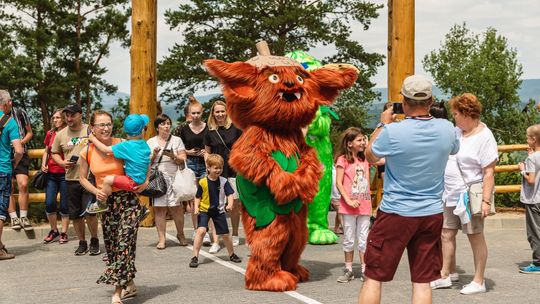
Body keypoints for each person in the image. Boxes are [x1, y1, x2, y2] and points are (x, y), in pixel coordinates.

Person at [359, 75, 459, 304]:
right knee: (422, 280)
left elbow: (370, 156)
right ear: (431, 100)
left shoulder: (393, 132)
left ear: (403, 102)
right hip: (431, 213)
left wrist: (383, 123)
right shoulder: (447, 128)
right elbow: (454, 149)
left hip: (396, 212)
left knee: (373, 276)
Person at [430, 93, 497, 295]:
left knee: (475, 236)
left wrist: (485, 200)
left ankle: (479, 280)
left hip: (470, 194)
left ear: (467, 114)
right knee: (446, 233)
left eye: (457, 113)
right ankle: (446, 275)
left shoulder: (485, 136)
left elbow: (489, 172)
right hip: (450, 192)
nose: (454, 117)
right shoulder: (456, 132)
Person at [79, 110, 147, 304]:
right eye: (101, 125)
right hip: (106, 203)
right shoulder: (87, 151)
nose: (106, 128)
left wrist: (146, 181)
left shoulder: (121, 144)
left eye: (109, 124)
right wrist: (95, 191)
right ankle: (130, 283)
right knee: (113, 247)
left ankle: (117, 291)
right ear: (93, 128)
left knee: (124, 242)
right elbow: (82, 178)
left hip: (128, 200)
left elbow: (145, 161)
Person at [51, 103, 101, 256]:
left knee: (90, 213)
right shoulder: (61, 134)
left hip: (89, 178)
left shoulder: (89, 130)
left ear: (80, 115)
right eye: (66, 115)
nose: (69, 118)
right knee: (75, 214)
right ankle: (82, 242)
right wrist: (62, 162)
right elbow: (54, 153)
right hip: (70, 179)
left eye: (72, 115)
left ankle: (94, 240)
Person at [86, 114, 151, 214]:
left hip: (132, 181)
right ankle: (141, 208)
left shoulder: (125, 146)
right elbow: (148, 161)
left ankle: (101, 203)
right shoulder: (144, 144)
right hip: (140, 179)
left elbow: (106, 150)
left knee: (108, 180)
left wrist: (93, 139)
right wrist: (146, 180)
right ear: (142, 130)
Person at [189, 154, 242, 268]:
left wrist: (230, 204)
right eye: (215, 168)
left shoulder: (223, 182)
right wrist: (197, 207)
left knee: (226, 235)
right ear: (208, 168)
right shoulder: (203, 182)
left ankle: (232, 254)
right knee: (201, 231)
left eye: (220, 168)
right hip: (204, 210)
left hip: (218, 211)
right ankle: (195, 257)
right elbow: (198, 196)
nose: (218, 170)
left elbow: (230, 194)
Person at [334, 127, 372, 283]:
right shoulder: (342, 159)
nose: (362, 142)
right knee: (349, 238)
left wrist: (369, 144)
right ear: (349, 143)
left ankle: (364, 269)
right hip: (349, 207)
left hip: (364, 205)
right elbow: (338, 182)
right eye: (359, 140)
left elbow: (379, 158)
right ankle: (348, 269)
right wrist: (348, 200)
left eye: (364, 139)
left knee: (364, 239)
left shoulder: (366, 159)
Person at [204, 100, 243, 249]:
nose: (220, 114)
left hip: (233, 170)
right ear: (213, 114)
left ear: (227, 112)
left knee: (234, 205)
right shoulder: (210, 131)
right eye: (217, 111)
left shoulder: (236, 128)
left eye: (222, 111)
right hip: (216, 172)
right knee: (216, 205)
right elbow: (207, 151)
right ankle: (217, 237)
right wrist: (208, 167)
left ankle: (235, 234)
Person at [147, 114, 188, 249]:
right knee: (160, 210)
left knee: (177, 208)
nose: (166, 126)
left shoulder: (177, 140)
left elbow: (183, 158)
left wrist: (173, 156)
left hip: (175, 177)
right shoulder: (150, 142)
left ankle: (181, 234)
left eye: (168, 123)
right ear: (157, 127)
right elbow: (147, 162)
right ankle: (162, 239)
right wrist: (153, 154)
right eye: (163, 124)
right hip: (158, 178)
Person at [0, 90, 34, 231]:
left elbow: (30, 132)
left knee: (23, 184)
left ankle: (23, 216)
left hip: (19, 153)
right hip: (6, 157)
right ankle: (13, 217)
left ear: (10, 103)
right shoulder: (7, 120)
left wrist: (20, 142)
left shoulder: (19, 113)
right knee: (9, 188)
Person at [179, 97, 208, 247]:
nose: (196, 115)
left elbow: (213, 144)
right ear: (189, 113)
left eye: (198, 113)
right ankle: (196, 228)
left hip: (205, 164)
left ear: (202, 112)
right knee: (192, 199)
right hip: (190, 163)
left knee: (204, 197)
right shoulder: (184, 129)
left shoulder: (209, 127)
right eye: (193, 113)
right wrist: (188, 152)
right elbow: (178, 146)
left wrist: (206, 152)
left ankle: (205, 230)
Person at [0, 90, 23, 260]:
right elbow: (19, 150)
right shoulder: (10, 122)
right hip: (3, 169)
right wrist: (14, 162)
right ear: (7, 103)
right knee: (1, 211)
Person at [42, 109, 70, 244]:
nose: (55, 120)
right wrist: (43, 164)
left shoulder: (69, 133)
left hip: (65, 174)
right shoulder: (51, 133)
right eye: (54, 118)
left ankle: (64, 232)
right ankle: (54, 230)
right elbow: (46, 151)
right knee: (49, 203)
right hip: (51, 174)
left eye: (58, 118)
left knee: (65, 205)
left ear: (64, 119)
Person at [519, 124, 540, 274]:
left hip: (534, 199)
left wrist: (522, 170)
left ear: (533, 139)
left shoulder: (532, 158)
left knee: (534, 232)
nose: (526, 139)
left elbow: (531, 180)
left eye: (528, 137)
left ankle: (538, 262)